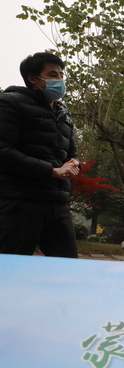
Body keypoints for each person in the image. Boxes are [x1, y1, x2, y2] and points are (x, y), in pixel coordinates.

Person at [0, 52, 80, 258]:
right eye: (53, 75)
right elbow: (4, 151)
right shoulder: (10, 103)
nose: (60, 80)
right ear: (33, 78)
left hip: (57, 202)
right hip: (20, 201)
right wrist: (51, 171)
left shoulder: (63, 112)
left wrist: (74, 163)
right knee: (11, 268)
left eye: (62, 74)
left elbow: (71, 150)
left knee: (67, 267)